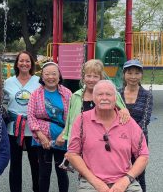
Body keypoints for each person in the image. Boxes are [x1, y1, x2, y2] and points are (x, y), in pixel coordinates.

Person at [67, 80, 149, 192]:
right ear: (94, 98)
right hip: (91, 181)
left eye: (109, 94)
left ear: (115, 98)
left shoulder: (128, 122)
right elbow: (72, 154)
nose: (104, 98)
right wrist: (95, 182)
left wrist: (126, 180)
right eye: (100, 94)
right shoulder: (81, 121)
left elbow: (143, 155)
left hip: (124, 179)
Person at [27, 62, 72, 192]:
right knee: (44, 173)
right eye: (47, 74)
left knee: (62, 172)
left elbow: (72, 118)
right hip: (41, 140)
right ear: (42, 76)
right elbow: (30, 115)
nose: (50, 77)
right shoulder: (35, 94)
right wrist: (41, 136)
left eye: (54, 73)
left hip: (62, 139)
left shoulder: (67, 93)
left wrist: (63, 135)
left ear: (59, 76)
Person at [63, 59, 128, 143]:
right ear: (83, 77)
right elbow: (71, 120)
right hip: (81, 139)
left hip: (103, 140)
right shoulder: (76, 96)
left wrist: (124, 111)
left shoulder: (111, 94)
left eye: (95, 76)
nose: (91, 80)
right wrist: (68, 138)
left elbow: (123, 111)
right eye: (88, 76)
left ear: (101, 78)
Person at [3, 51, 40, 192]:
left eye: (27, 61)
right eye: (21, 61)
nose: (24, 63)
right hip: (14, 127)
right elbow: (4, 102)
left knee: (36, 164)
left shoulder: (38, 82)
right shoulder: (8, 82)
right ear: (16, 63)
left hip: (34, 128)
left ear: (31, 64)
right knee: (15, 164)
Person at [119, 59, 153, 192]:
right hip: (119, 138)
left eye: (137, 73)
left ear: (141, 75)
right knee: (120, 172)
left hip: (139, 138)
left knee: (138, 173)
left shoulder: (147, 95)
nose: (133, 77)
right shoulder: (118, 94)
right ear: (124, 74)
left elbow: (145, 120)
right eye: (129, 73)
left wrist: (132, 136)